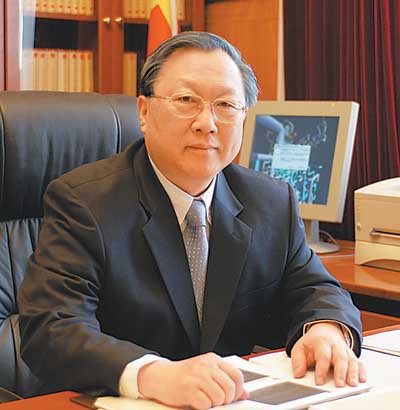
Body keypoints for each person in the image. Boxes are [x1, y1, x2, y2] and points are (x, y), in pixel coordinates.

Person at [18, 31, 366, 410]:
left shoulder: (270, 201)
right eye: (186, 100)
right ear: (144, 112)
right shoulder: (84, 202)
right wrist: (151, 373)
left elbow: (314, 287)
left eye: (225, 104)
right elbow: (52, 328)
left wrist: (326, 330)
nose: (207, 123)